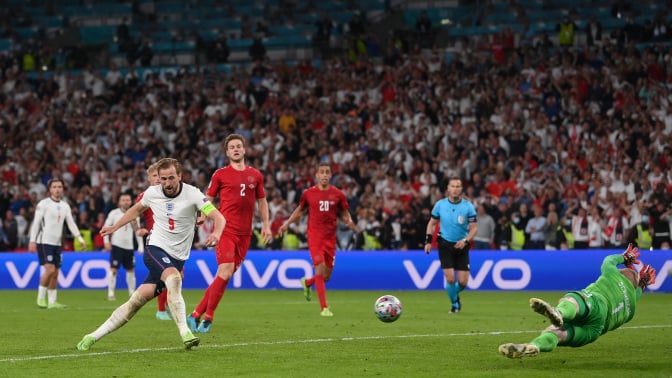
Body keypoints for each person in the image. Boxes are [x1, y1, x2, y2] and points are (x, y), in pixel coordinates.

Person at [77, 158, 226, 351]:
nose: (167, 183)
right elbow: (136, 210)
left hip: (178, 257)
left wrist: (216, 232)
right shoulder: (152, 193)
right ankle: (185, 332)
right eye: (163, 179)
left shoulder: (193, 194)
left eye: (171, 178)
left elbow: (218, 217)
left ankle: (92, 336)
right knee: (173, 278)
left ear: (179, 176)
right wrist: (115, 226)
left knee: (136, 302)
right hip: (155, 247)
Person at [499, 244, 656, 359]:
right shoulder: (631, 309)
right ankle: (535, 346)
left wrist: (625, 257)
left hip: (598, 304)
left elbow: (608, 260)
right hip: (595, 330)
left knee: (574, 300)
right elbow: (636, 293)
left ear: (621, 274)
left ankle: (559, 312)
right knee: (557, 334)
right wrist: (642, 284)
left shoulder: (612, 274)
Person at [187, 134, 272, 333]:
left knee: (223, 276)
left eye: (238, 146)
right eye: (231, 147)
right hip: (225, 230)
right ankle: (208, 317)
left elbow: (262, 201)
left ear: (244, 150)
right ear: (227, 152)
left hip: (245, 234)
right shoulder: (220, 174)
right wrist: (203, 215)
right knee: (225, 272)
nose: (235, 149)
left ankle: (195, 314)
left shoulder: (256, 175)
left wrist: (266, 224)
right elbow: (207, 198)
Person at [278, 162, 360, 317]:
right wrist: (287, 223)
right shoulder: (309, 193)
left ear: (330, 175)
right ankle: (324, 308)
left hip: (330, 239)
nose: (324, 175)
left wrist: (348, 220)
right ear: (317, 175)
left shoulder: (338, 194)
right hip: (315, 237)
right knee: (320, 270)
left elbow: (344, 212)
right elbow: (300, 211)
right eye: (321, 172)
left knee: (326, 276)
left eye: (327, 172)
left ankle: (307, 283)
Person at [29, 178, 86, 309]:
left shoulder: (65, 206)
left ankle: (52, 302)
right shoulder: (43, 204)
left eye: (59, 186)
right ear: (50, 189)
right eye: (54, 187)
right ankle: (40, 298)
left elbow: (71, 223)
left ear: (63, 189)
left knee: (56, 273)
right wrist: (32, 241)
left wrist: (79, 238)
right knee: (49, 270)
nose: (57, 189)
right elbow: (36, 223)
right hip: (44, 241)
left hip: (57, 243)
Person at [424, 177, 478, 314]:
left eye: (458, 186)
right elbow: (432, 223)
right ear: (448, 189)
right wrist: (428, 241)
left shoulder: (468, 206)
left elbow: (474, 228)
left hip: (462, 246)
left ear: (461, 189)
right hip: (445, 244)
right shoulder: (440, 205)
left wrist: (465, 241)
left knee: (463, 282)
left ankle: (454, 294)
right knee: (450, 278)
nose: (455, 189)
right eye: (452, 186)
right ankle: (455, 304)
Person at [135, 162, 174, 321]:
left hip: (172, 240)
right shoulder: (145, 196)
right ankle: (160, 310)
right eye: (154, 176)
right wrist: (137, 229)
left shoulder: (169, 193)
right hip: (157, 242)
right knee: (166, 274)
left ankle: (167, 306)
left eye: (159, 175)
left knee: (177, 276)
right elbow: (134, 213)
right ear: (149, 178)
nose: (158, 179)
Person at [103, 192, 143, 301]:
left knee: (130, 270)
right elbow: (106, 226)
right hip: (117, 246)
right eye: (123, 200)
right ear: (119, 202)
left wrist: (140, 246)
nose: (126, 202)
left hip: (129, 247)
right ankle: (111, 293)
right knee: (114, 269)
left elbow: (137, 231)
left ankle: (131, 293)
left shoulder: (134, 213)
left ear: (131, 201)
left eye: (128, 200)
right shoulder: (114, 213)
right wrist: (106, 241)